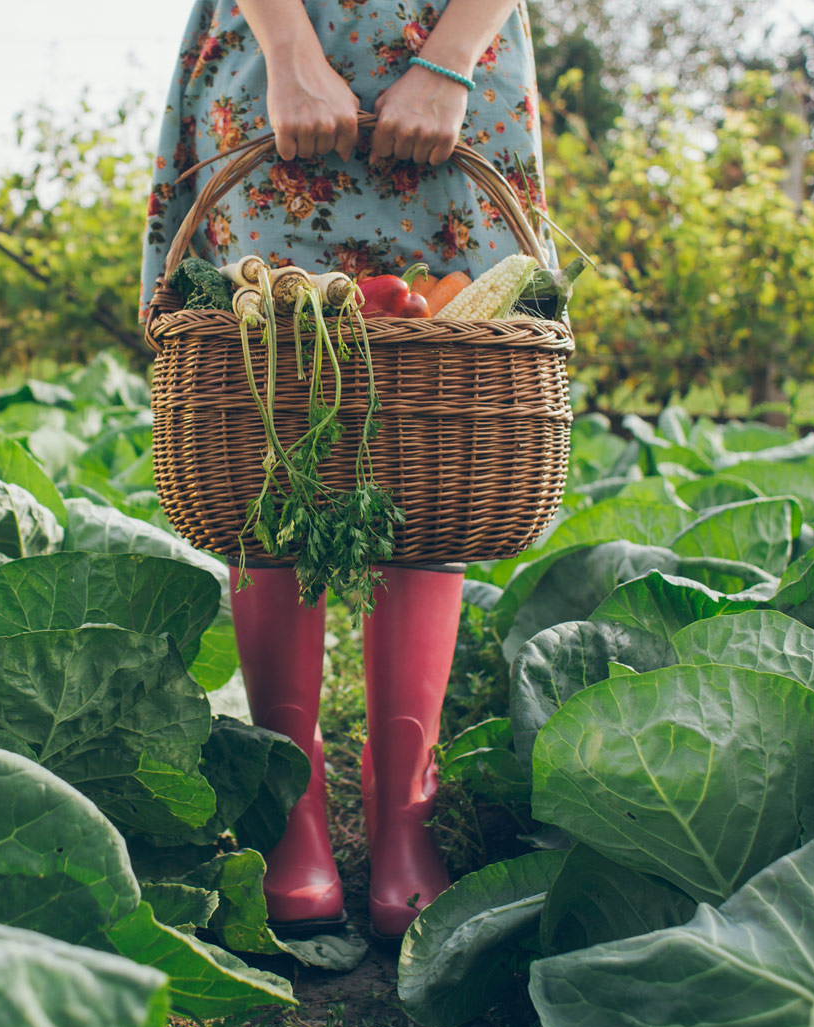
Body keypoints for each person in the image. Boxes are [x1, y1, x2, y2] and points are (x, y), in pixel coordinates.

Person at [138, 0, 552, 939]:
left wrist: (450, 62)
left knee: (440, 415)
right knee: (267, 411)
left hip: (457, 51)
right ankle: (293, 806)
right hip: (281, 48)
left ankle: (403, 807)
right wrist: (288, 52)